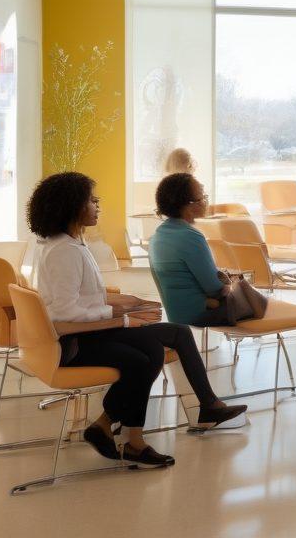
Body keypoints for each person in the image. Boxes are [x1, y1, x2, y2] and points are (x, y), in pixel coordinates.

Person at [29, 172, 247, 468]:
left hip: (86, 331)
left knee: (177, 333)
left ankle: (117, 426)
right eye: (92, 201)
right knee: (146, 356)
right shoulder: (64, 252)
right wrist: (121, 315)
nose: (97, 206)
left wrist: (129, 303)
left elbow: (83, 296)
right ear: (73, 207)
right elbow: (66, 312)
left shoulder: (66, 245)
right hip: (76, 341)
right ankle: (129, 438)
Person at [149, 172, 265, 327]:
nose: (205, 201)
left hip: (176, 313)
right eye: (202, 197)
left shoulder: (158, 235)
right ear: (189, 206)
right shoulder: (190, 237)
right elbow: (214, 288)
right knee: (264, 304)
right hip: (201, 313)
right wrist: (228, 284)